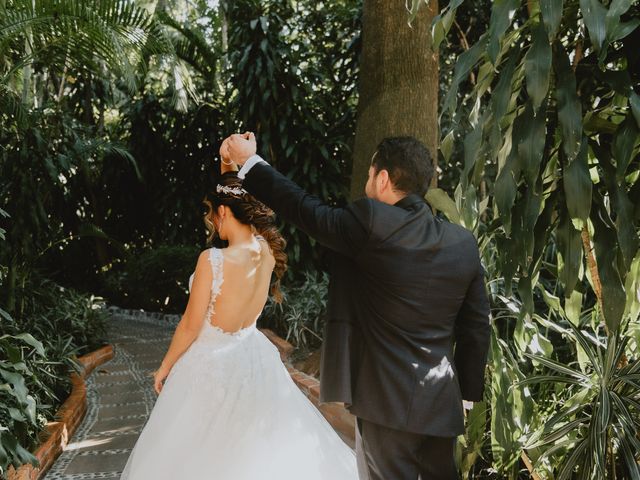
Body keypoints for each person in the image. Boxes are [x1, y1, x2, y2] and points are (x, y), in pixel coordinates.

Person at [222, 133, 491, 480]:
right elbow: (476, 327)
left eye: (368, 174)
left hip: (385, 405)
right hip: (441, 405)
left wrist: (250, 162)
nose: (366, 183)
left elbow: (305, 209)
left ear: (382, 178)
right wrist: (467, 394)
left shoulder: (372, 223)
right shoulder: (462, 243)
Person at [120, 150, 358, 479]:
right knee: (252, 446)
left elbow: (190, 326)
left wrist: (165, 366)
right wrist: (229, 166)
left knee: (199, 451)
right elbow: (234, 190)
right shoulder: (266, 251)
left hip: (209, 364)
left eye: (212, 214)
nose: (212, 222)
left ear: (223, 211)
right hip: (253, 358)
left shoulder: (212, 260)